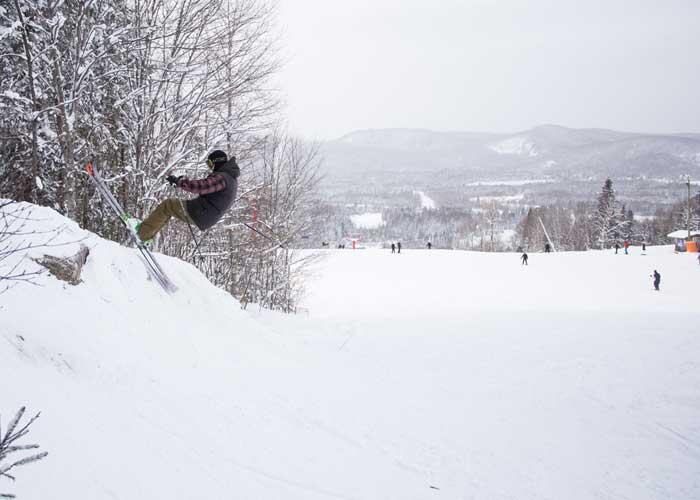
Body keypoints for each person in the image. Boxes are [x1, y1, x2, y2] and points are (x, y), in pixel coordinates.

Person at [131, 150, 240, 243]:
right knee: (169, 208)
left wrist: (180, 182)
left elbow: (202, 187)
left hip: (202, 213)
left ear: (217, 162)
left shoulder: (222, 177)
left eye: (210, 163)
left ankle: (142, 235)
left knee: (167, 206)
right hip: (207, 214)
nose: (210, 167)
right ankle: (147, 234)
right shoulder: (231, 179)